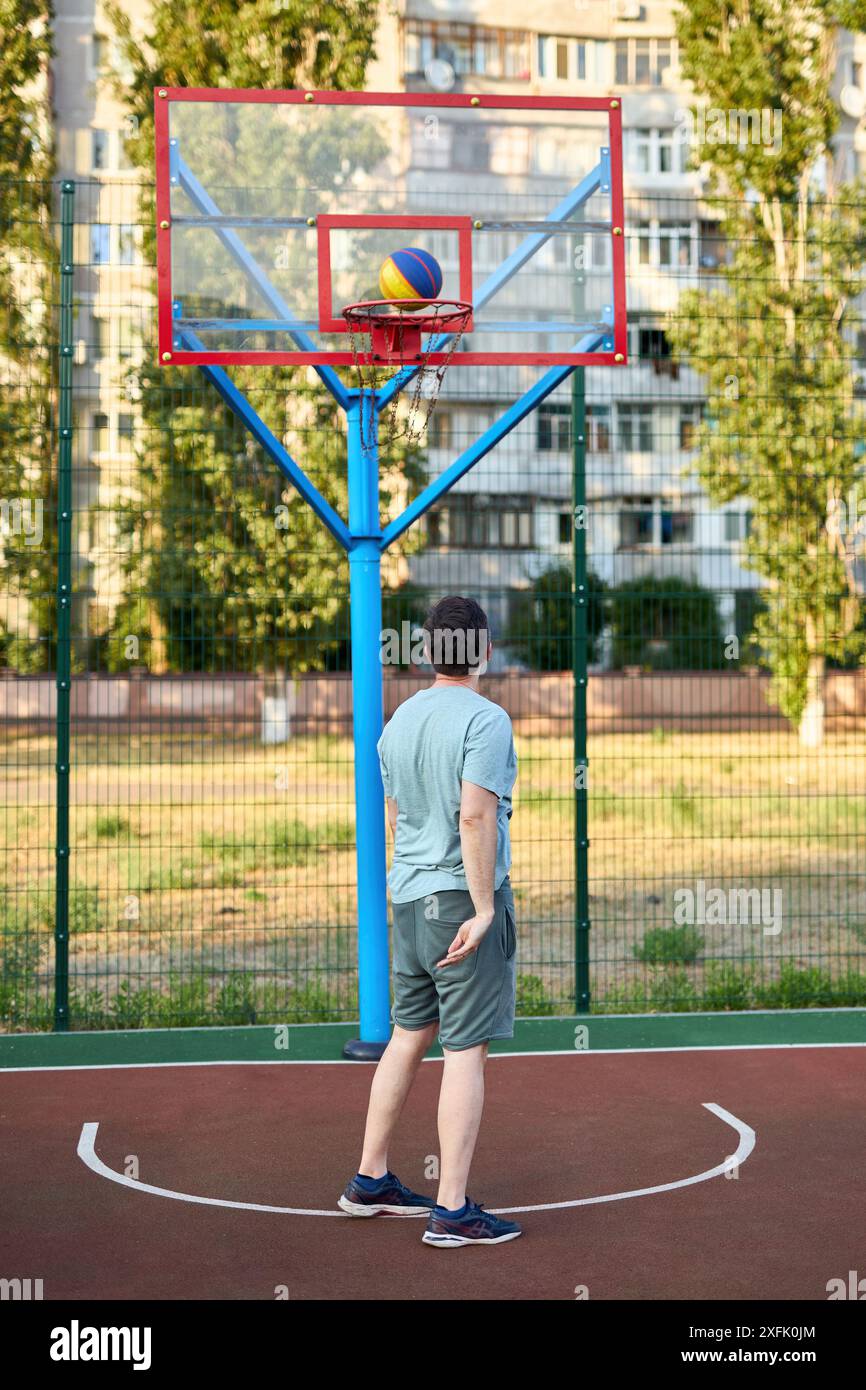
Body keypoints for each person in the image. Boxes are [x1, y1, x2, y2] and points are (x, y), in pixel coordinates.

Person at [339, 595, 521, 1247]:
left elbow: (395, 818)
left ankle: (370, 1179)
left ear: (424, 654)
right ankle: (451, 1210)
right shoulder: (487, 720)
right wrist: (483, 908)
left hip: (408, 898)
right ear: (484, 651)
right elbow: (473, 818)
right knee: (464, 1053)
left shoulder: (398, 722)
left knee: (406, 1036)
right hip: (456, 902)